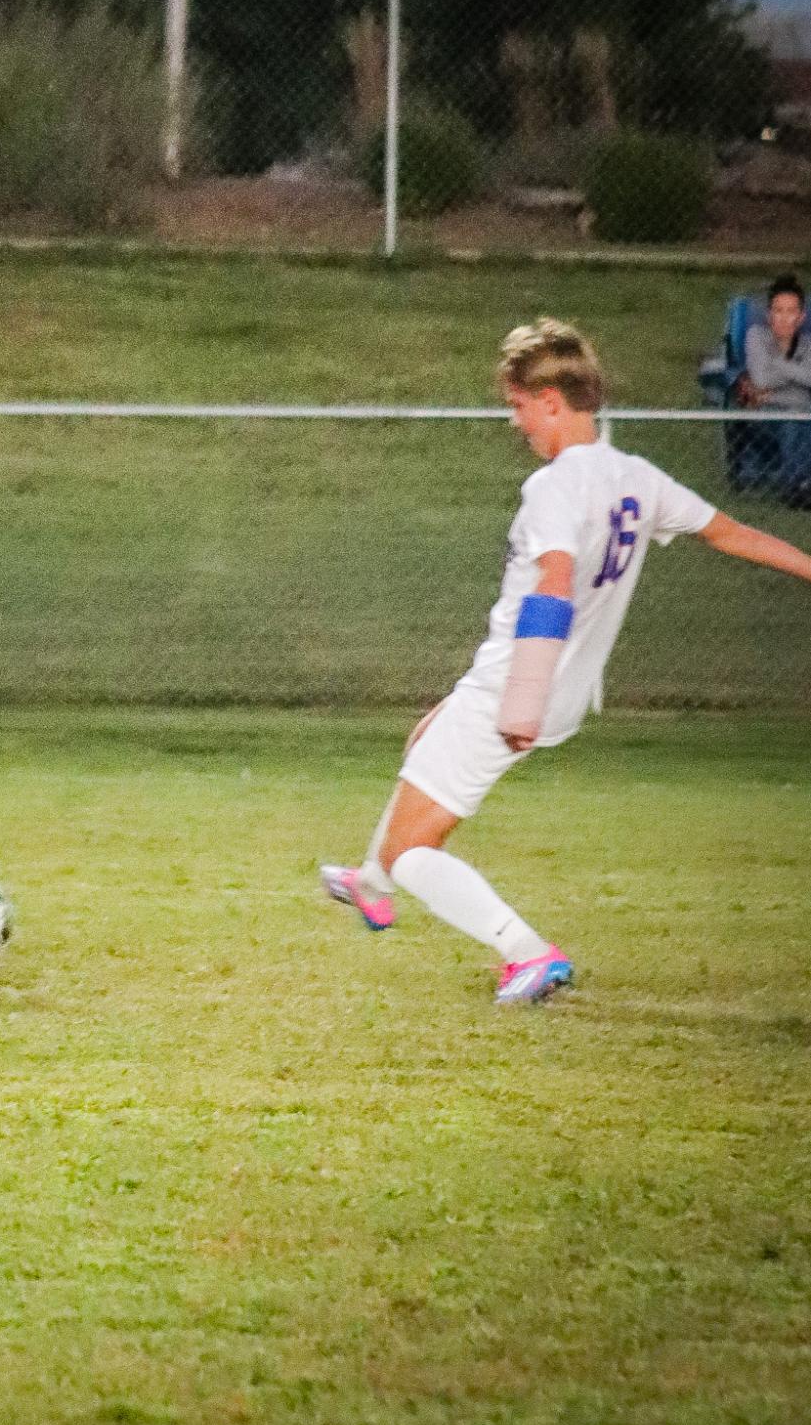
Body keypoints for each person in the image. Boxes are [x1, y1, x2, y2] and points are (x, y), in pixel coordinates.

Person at [320, 318, 811, 1003]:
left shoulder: (555, 487)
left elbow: (552, 581)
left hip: (518, 681)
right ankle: (368, 883)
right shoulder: (636, 477)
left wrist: (521, 695)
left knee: (414, 854)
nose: (516, 422)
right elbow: (728, 532)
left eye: (518, 407)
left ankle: (522, 951)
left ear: (551, 400)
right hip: (561, 689)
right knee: (426, 737)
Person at [741, 274, 811, 503]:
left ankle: (798, 485)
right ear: (769, 315)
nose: (784, 318)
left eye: (791, 311)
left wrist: (777, 367)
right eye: (778, 311)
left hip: (800, 414)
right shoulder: (756, 337)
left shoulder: (808, 344)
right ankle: (795, 486)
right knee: (795, 419)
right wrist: (796, 378)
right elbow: (760, 381)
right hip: (763, 417)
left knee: (798, 419)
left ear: (801, 317)